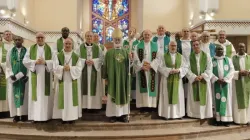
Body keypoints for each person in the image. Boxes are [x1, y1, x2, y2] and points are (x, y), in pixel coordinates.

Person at [23, 32, 54, 122]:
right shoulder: (30, 49)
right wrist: (35, 62)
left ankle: (46, 116)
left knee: (45, 96)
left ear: (45, 38)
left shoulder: (50, 49)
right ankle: (35, 117)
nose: (40, 39)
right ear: (35, 38)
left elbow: (55, 61)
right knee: (35, 96)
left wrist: (45, 62)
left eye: (41, 37)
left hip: (46, 75)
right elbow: (25, 61)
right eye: (38, 37)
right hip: (35, 76)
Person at [53, 37, 82, 124]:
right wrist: (62, 68)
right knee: (62, 98)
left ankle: (72, 117)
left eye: (69, 44)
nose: (68, 45)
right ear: (63, 44)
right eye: (66, 43)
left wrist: (70, 68)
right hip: (62, 80)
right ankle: (62, 117)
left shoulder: (76, 56)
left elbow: (79, 68)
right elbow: (55, 67)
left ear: (72, 45)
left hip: (72, 81)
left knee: (71, 99)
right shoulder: (58, 55)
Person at [104, 28, 130, 123]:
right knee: (112, 95)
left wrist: (131, 59)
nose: (117, 41)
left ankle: (123, 115)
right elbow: (105, 65)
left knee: (123, 94)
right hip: (112, 78)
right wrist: (105, 77)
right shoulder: (109, 53)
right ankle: (112, 115)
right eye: (116, 39)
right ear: (113, 40)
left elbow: (129, 66)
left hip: (123, 79)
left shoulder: (126, 52)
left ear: (121, 40)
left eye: (119, 39)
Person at [158, 41, 188, 120]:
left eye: (175, 45)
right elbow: (160, 67)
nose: (173, 47)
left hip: (177, 79)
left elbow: (185, 67)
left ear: (177, 47)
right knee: (167, 95)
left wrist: (179, 70)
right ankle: (167, 114)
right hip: (166, 79)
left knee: (178, 96)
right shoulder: (163, 56)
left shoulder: (181, 57)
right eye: (171, 45)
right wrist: (169, 71)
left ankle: (178, 114)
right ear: (168, 46)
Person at [133, 29, 161, 112]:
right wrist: (141, 66)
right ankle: (143, 106)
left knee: (151, 87)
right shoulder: (138, 45)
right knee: (142, 87)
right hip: (142, 69)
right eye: (145, 34)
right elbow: (135, 57)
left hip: (151, 70)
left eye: (148, 34)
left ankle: (151, 106)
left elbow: (159, 57)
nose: (147, 36)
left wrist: (151, 65)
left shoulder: (156, 45)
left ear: (151, 36)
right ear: (143, 35)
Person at [76, 31, 103, 112]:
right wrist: (84, 61)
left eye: (90, 36)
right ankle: (84, 106)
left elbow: (101, 59)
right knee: (84, 87)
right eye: (87, 36)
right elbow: (76, 59)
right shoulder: (80, 47)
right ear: (85, 37)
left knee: (94, 88)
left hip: (94, 71)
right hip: (84, 70)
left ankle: (95, 107)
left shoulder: (97, 47)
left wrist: (94, 61)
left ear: (93, 37)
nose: (89, 38)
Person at [186, 40, 213, 119]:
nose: (195, 46)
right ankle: (194, 114)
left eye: (197, 45)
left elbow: (209, 67)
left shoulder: (207, 55)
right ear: (192, 47)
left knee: (205, 97)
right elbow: (187, 68)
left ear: (200, 45)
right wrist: (194, 77)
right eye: (194, 45)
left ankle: (205, 114)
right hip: (194, 80)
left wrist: (203, 76)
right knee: (194, 98)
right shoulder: (189, 56)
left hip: (203, 80)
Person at [6, 36, 28, 122]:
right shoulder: (10, 51)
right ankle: (16, 115)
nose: (17, 41)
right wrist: (11, 74)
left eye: (19, 40)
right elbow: (8, 64)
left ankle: (24, 114)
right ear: (14, 41)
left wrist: (28, 75)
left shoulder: (27, 51)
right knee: (13, 95)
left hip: (24, 77)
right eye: (16, 40)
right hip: (14, 77)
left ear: (22, 41)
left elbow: (29, 63)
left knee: (25, 95)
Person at [211, 45, 234, 127]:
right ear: (215, 50)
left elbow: (232, 70)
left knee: (226, 101)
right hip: (216, 83)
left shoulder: (228, 59)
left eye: (221, 49)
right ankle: (218, 120)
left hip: (225, 84)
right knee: (216, 100)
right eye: (218, 49)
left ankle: (226, 120)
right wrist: (216, 79)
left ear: (223, 50)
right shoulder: (211, 59)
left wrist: (226, 79)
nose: (220, 50)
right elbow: (209, 71)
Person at [232, 43, 250, 125]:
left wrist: (248, 73)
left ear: (245, 47)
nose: (241, 48)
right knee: (237, 100)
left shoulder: (249, 58)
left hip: (247, 82)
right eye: (239, 47)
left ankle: (247, 119)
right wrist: (239, 73)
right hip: (237, 83)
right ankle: (238, 120)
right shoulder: (233, 58)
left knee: (248, 100)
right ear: (237, 48)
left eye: (243, 47)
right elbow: (230, 71)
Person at [0, 30, 14, 117]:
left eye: (9, 34)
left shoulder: (14, 45)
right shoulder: (1, 45)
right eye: (6, 34)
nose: (8, 36)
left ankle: (10, 111)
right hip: (3, 72)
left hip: (13, 72)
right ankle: (2, 111)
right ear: (3, 36)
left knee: (11, 91)